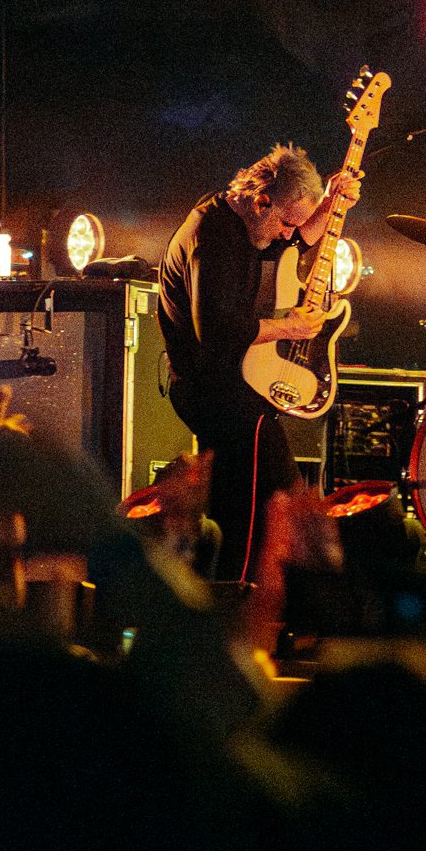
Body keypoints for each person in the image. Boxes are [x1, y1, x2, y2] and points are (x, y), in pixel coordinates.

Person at [158, 144, 360, 582]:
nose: (290, 235)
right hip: (218, 393)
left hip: (235, 388)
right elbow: (218, 331)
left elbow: (295, 240)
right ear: (262, 201)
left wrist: (331, 204)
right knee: (268, 506)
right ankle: (242, 598)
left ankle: (234, 595)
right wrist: (289, 328)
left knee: (248, 507)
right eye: (287, 222)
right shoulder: (213, 237)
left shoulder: (249, 222)